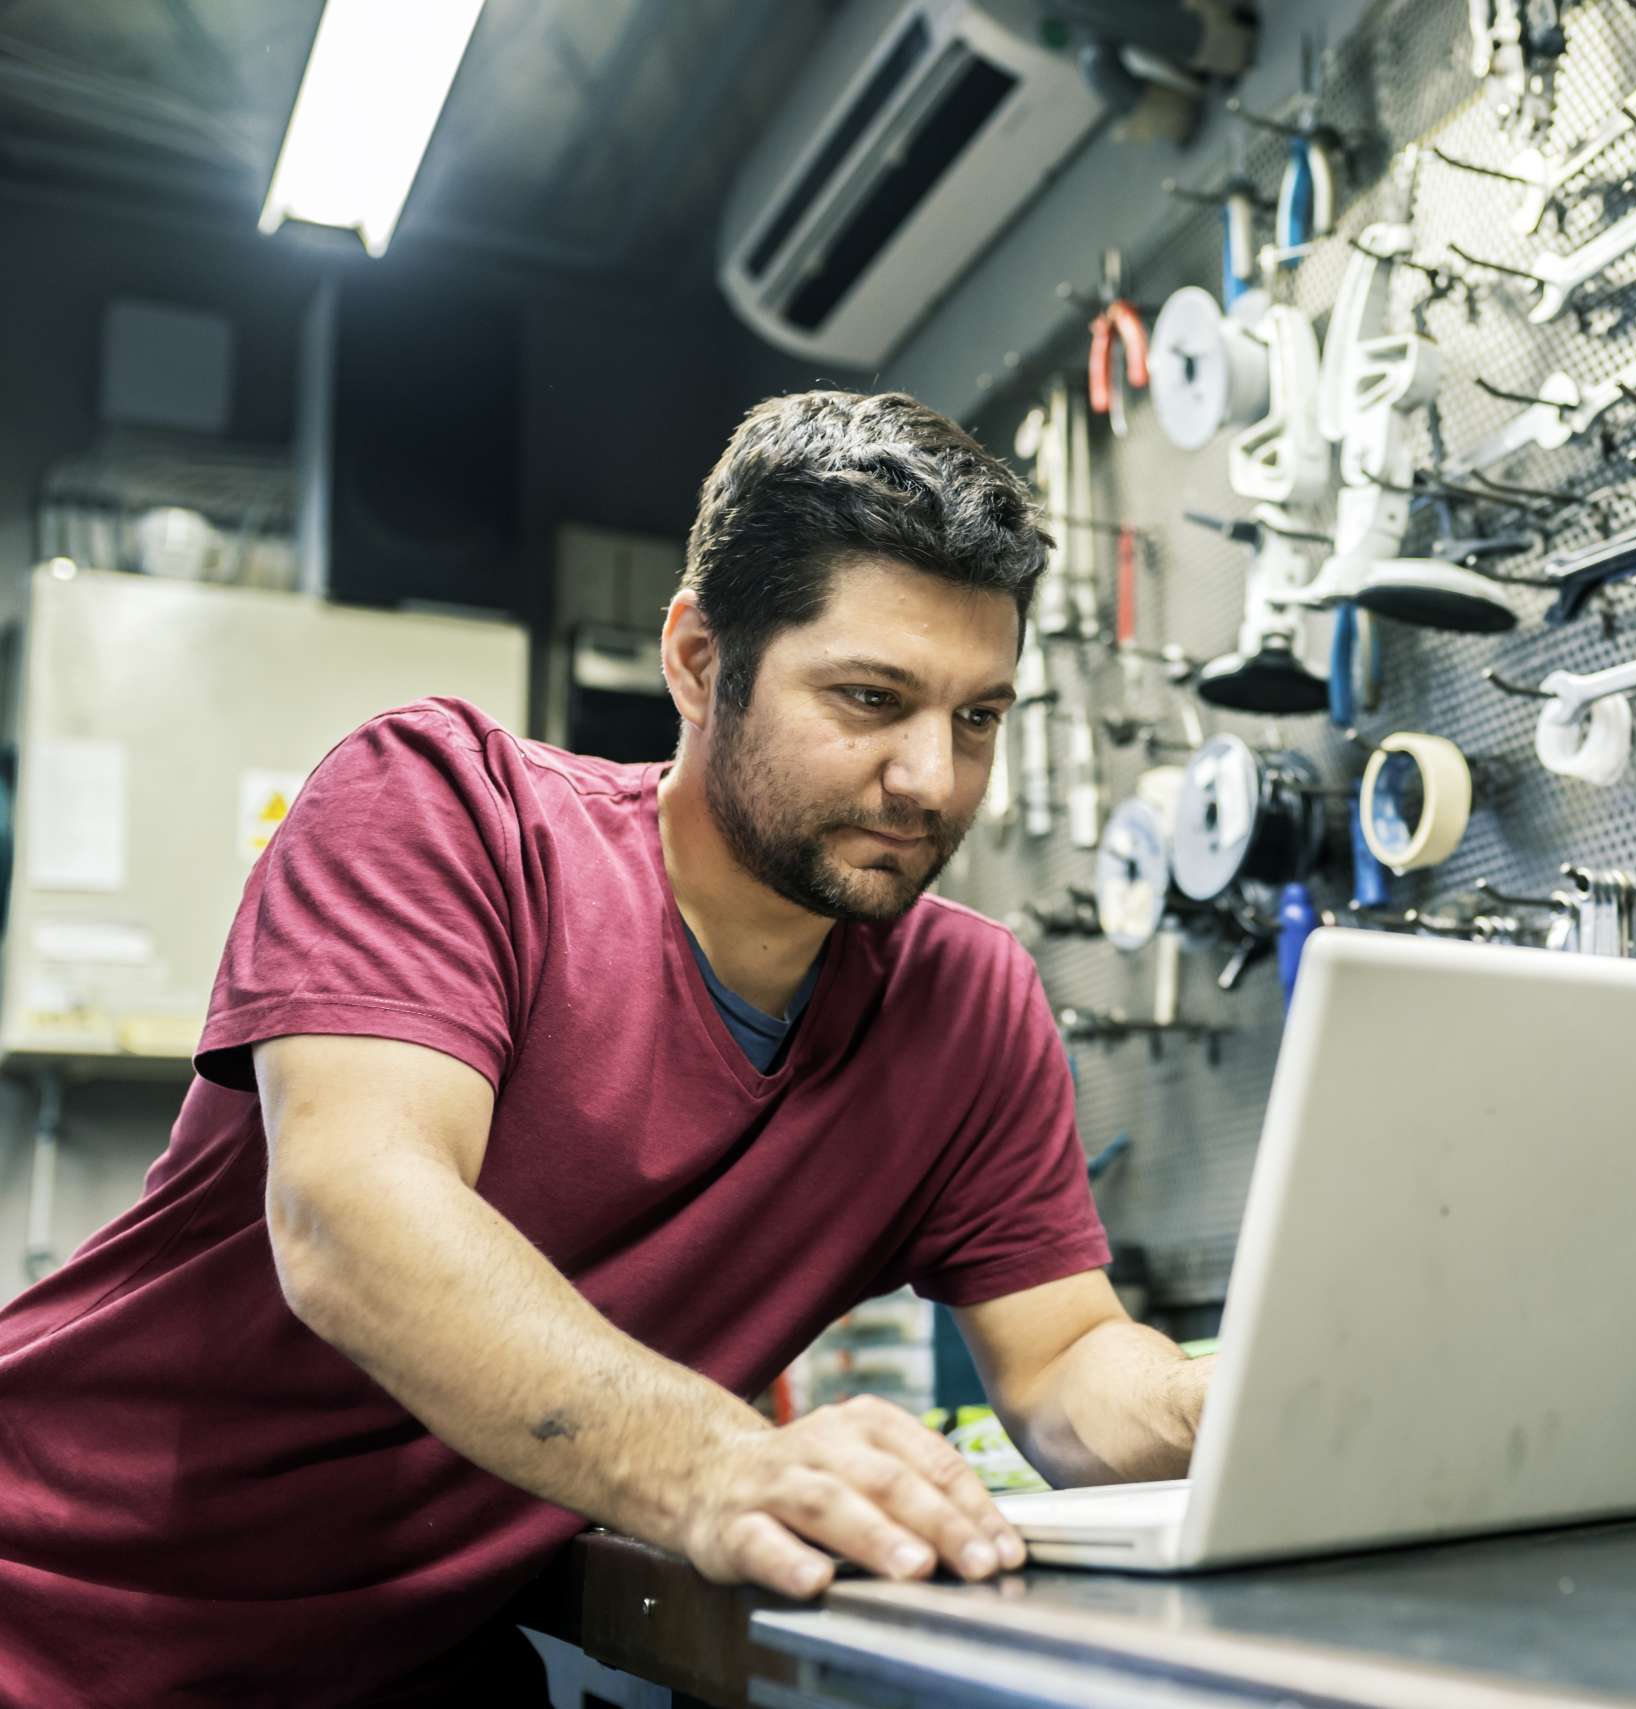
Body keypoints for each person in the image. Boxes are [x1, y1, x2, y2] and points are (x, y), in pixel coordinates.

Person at [0, 391, 1213, 1707]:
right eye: (873, 698)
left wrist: (1237, 1418)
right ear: (697, 658)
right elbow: (353, 1218)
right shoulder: (445, 811)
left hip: (384, 1658)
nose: (930, 778)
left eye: (977, 718)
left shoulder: (968, 1009)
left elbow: (1063, 1359)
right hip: (56, 1619)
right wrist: (717, 1462)